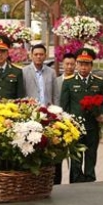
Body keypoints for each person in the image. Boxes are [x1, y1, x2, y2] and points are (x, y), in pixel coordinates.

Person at [59, 47, 103, 183]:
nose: (83, 67)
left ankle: (90, 180)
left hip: (92, 126)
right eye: (81, 64)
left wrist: (102, 114)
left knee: (91, 156)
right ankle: (76, 181)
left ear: (91, 66)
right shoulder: (69, 82)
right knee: (76, 158)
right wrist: (67, 125)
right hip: (75, 128)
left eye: (86, 64)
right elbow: (64, 107)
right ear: (77, 65)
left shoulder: (98, 82)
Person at [22, 43, 61, 183]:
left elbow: (55, 95)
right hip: (30, 117)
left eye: (41, 54)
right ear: (31, 55)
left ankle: (46, 180)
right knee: (31, 148)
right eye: (36, 54)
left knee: (47, 148)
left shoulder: (51, 72)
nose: (39, 57)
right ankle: (31, 180)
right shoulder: (24, 72)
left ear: (45, 56)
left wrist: (56, 113)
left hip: (48, 117)